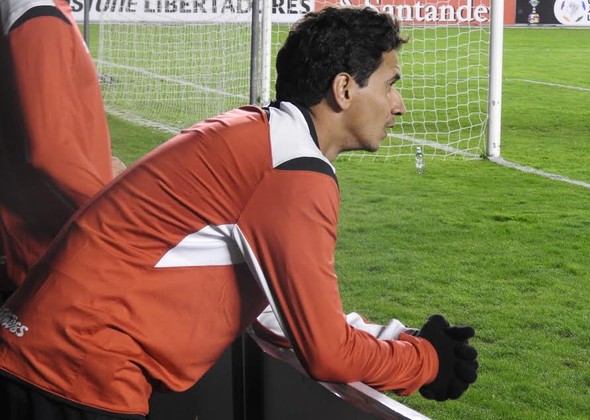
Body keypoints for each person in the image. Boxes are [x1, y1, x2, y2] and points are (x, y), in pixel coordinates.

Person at [0, 6, 478, 419]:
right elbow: (326, 352)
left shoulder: (257, 134)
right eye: (391, 85)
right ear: (344, 89)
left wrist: (397, 339)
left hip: (41, 361)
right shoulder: (292, 170)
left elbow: (273, 314)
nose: (400, 106)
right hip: (72, 377)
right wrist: (425, 362)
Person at [0, 0, 124, 302]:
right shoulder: (37, 18)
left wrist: (102, 164)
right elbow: (52, 152)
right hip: (50, 259)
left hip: (41, 253)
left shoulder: (37, 15)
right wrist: (123, 217)